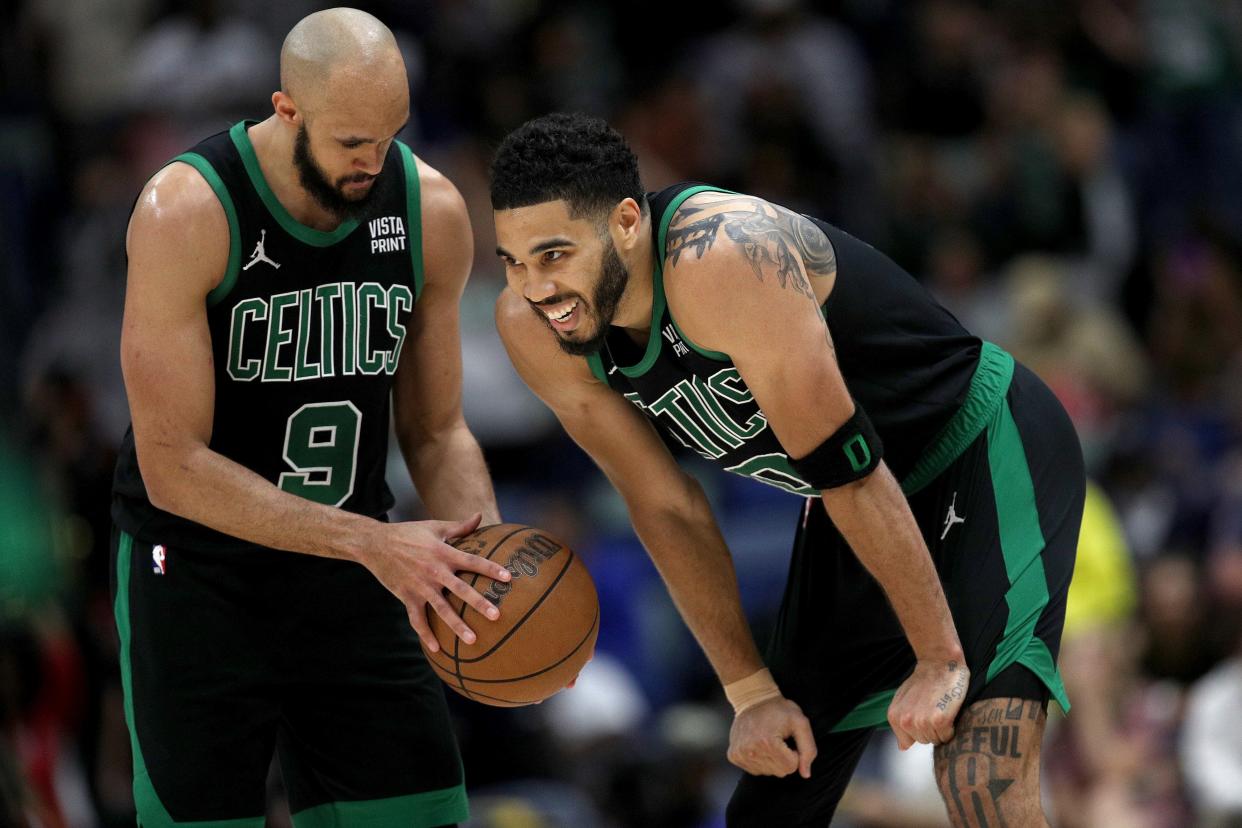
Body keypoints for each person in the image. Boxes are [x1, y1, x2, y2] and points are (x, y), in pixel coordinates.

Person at [489, 113, 1084, 826]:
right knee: (772, 801)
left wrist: (938, 656)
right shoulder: (535, 330)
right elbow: (664, 505)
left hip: (978, 447)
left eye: (554, 255)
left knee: (980, 776)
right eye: (513, 261)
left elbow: (852, 473)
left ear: (623, 223)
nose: (535, 287)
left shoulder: (724, 258)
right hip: (852, 506)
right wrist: (750, 693)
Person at [110, 9, 513, 826]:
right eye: (352, 142)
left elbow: (436, 430)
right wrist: (374, 544)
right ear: (286, 109)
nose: (375, 162)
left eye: (391, 135)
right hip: (198, 573)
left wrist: (483, 561)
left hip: (353, 569)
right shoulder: (186, 211)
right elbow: (172, 464)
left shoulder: (430, 211)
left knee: (423, 813)